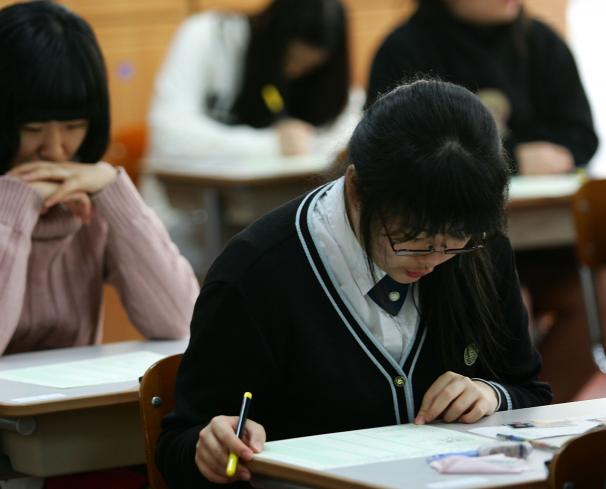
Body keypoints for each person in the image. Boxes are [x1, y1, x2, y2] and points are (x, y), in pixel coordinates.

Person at [155, 80, 552, 488]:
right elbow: (177, 444)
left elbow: (531, 394)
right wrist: (212, 447)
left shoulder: (479, 245)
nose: (434, 261)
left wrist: (492, 395)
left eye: (453, 244)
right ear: (357, 189)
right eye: (413, 240)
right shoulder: (257, 273)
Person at [0, 2, 199, 489]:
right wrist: (15, 205)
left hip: (64, 439)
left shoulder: (86, 196)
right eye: (33, 130)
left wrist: (115, 194)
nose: (56, 150)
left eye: (73, 127)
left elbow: (179, 318)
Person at [366, 0, 600, 399]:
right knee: (505, 298)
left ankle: (537, 409)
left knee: (598, 297)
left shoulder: (540, 41)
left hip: (547, 239)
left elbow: (581, 134)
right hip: (451, 242)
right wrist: (515, 155)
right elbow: (391, 148)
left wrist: (557, 153)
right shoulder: (405, 47)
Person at [366, 0, 598, 175]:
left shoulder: (543, 42)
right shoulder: (402, 51)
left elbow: (582, 136)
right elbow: (395, 152)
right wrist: (510, 159)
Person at [148, 0, 358, 161]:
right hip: (193, 207)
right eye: (289, 59)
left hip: (274, 201)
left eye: (308, 67)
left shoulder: (323, 78)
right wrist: (272, 145)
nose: (293, 72)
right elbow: (169, 134)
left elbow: (348, 129)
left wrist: (305, 142)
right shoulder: (208, 36)